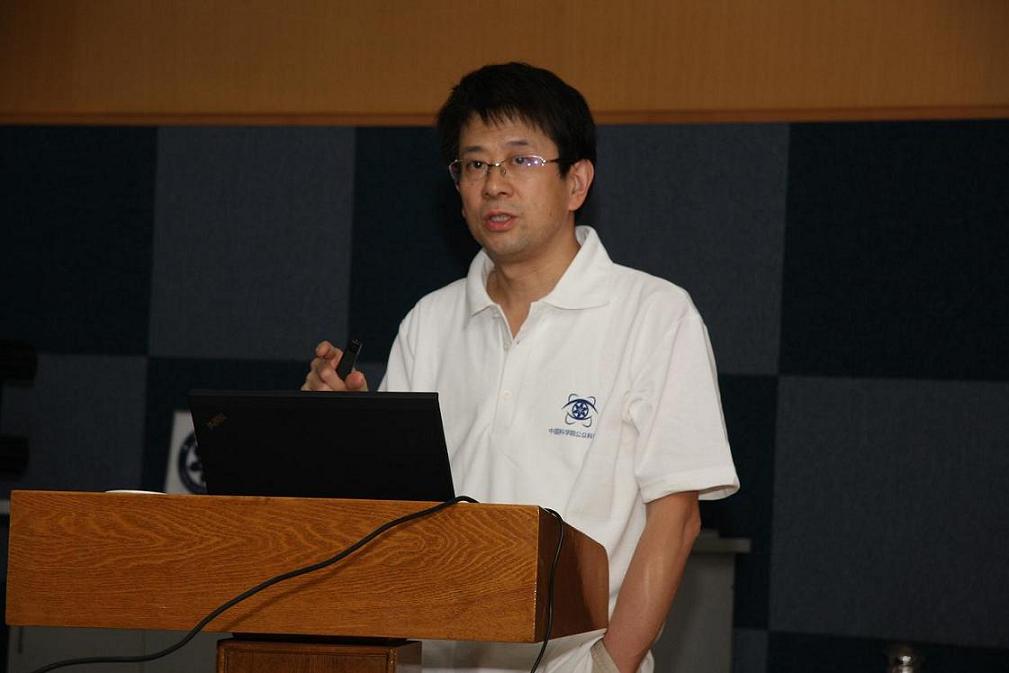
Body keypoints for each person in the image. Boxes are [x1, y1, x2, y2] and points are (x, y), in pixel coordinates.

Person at [302, 62, 739, 673]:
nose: (493, 184)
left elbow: (677, 518)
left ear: (576, 182)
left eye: (520, 160)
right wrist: (344, 430)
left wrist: (607, 666)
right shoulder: (430, 322)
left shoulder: (654, 315)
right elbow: (391, 515)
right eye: (474, 164)